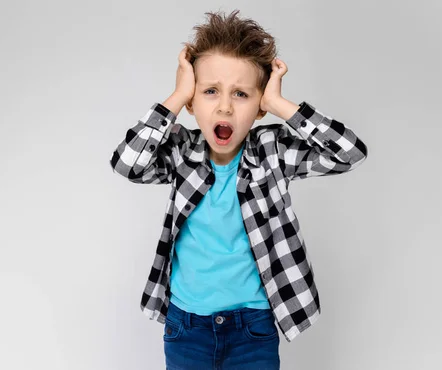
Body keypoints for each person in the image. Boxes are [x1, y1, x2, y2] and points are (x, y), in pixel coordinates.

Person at [110, 9, 368, 370]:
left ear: (259, 107)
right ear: (192, 102)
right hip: (186, 326)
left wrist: (279, 104)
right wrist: (177, 94)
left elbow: (349, 152)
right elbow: (127, 163)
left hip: (253, 327)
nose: (225, 107)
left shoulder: (272, 152)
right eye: (210, 91)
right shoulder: (183, 151)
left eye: (242, 94)